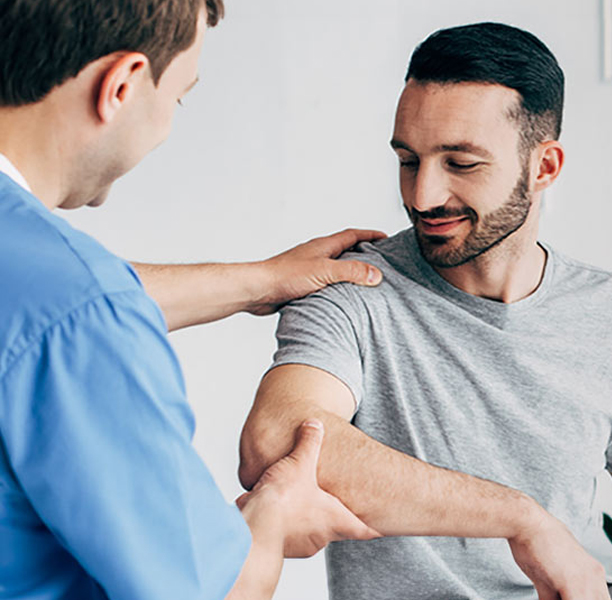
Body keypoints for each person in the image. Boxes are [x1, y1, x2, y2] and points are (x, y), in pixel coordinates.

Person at [239, 22, 612, 600]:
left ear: (543, 167)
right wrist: (523, 518)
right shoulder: (353, 288)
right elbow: (277, 439)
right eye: (408, 160)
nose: (423, 196)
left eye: (461, 164)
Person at [0, 1, 384, 598]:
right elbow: (216, 590)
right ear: (121, 85)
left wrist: (260, 280)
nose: (167, 127)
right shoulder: (80, 311)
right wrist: (276, 511)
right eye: (178, 97)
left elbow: (38, 305)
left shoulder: (54, 292)